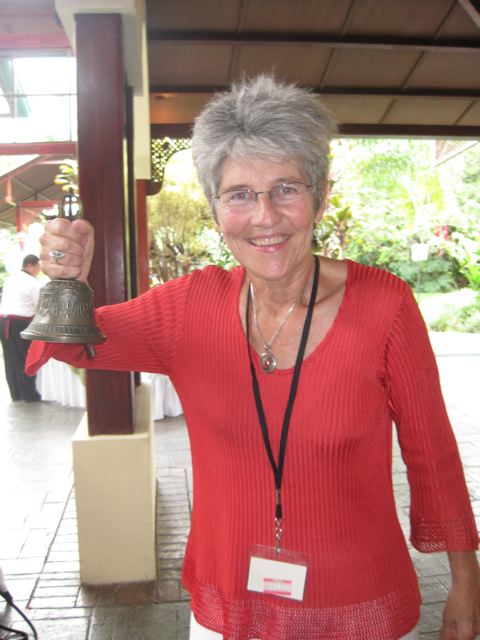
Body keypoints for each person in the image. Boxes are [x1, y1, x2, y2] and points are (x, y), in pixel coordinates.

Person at [27, 76, 479, 640]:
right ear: (216, 209)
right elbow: (73, 342)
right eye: (239, 194)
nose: (265, 216)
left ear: (321, 196)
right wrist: (66, 281)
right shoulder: (189, 306)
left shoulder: (384, 306)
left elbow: (432, 451)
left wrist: (466, 581)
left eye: (286, 188)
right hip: (227, 602)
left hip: (356, 602)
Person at [0, 254, 42, 402]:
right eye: (38, 266)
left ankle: (16, 393)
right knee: (24, 357)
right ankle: (29, 394)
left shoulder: (10, 279)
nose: (39, 270)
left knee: (10, 359)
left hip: (3, 321)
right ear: (31, 265)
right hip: (19, 323)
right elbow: (40, 308)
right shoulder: (33, 283)